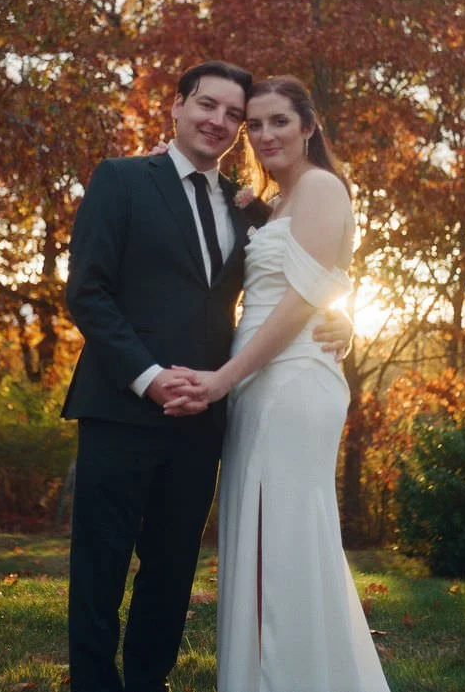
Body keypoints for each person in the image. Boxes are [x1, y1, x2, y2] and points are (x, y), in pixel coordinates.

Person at [63, 60, 352, 692]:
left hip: (206, 413)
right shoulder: (121, 179)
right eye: (207, 105)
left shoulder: (247, 207)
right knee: (100, 564)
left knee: (171, 567)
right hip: (120, 403)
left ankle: (149, 682)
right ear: (177, 106)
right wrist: (147, 376)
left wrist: (340, 320)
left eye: (233, 115)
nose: (219, 121)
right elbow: (87, 292)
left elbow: (305, 273)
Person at [165, 76, 391, 692]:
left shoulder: (320, 187)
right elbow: (317, 281)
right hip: (258, 382)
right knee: (261, 534)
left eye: (280, 121)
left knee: (286, 536)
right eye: (255, 124)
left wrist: (222, 380)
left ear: (308, 127)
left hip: (290, 383)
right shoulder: (275, 201)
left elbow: (299, 303)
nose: (265, 134)